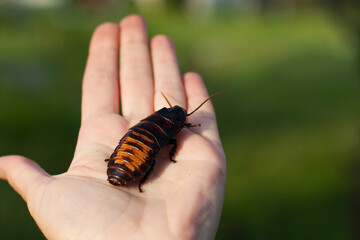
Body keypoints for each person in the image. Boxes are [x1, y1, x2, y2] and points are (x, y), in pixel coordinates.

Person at [0, 15, 226, 239]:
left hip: (129, 152)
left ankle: (130, 171)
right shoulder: (172, 133)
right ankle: (136, 176)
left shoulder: (153, 123)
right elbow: (172, 140)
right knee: (153, 153)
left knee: (148, 151)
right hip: (130, 158)